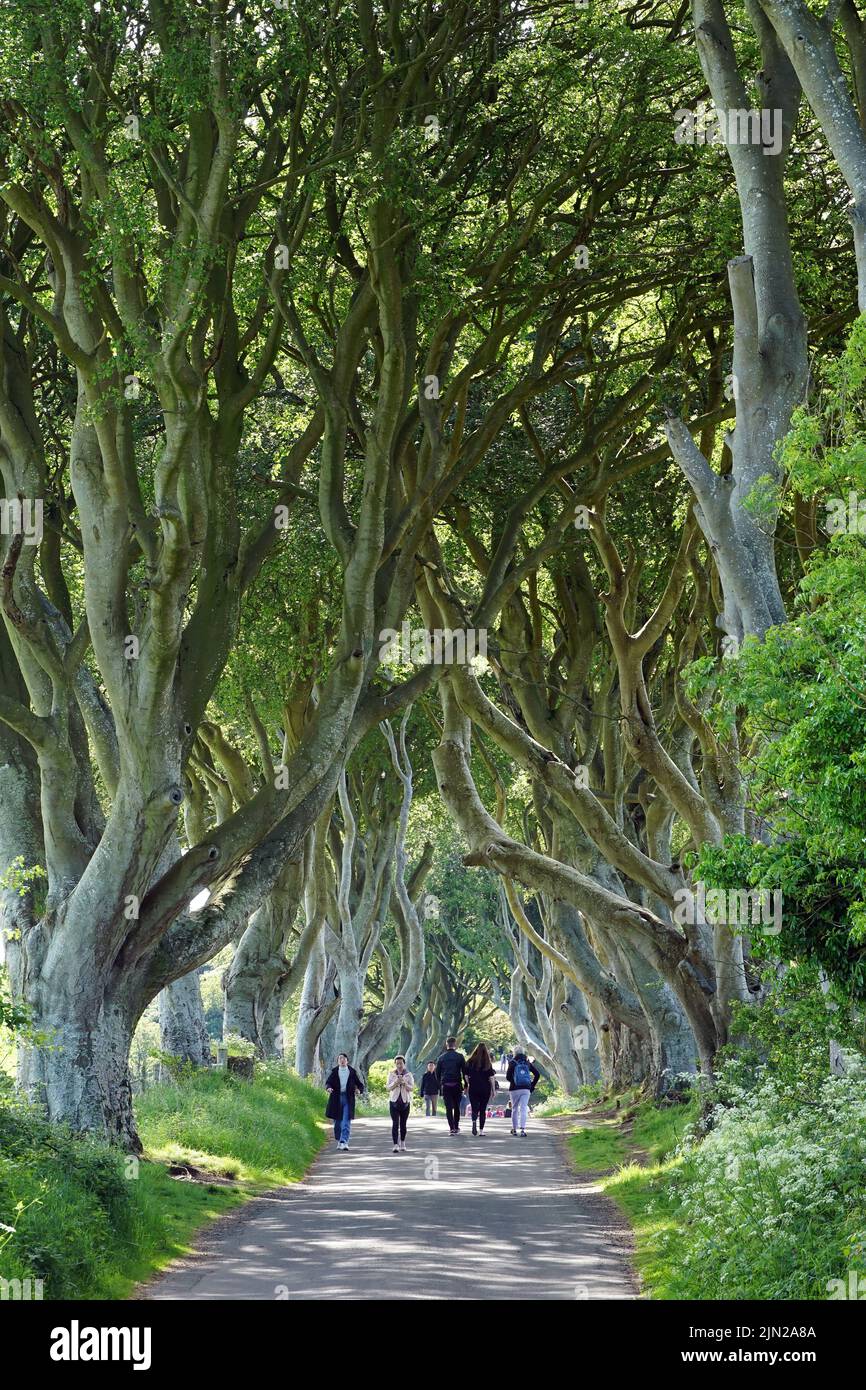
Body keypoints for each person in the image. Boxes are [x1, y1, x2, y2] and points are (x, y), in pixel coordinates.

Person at [324, 1053, 365, 1150]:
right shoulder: (334, 1072)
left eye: (344, 1059)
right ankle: (339, 1140)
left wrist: (359, 1090)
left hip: (348, 1098)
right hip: (336, 1099)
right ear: (338, 1061)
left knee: (346, 1121)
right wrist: (329, 1088)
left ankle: (344, 1141)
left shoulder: (352, 1072)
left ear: (347, 1061)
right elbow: (328, 1083)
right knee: (337, 1123)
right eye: (340, 1059)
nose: (342, 1060)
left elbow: (360, 1084)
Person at [436, 1036, 468, 1134]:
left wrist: (439, 1087)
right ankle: (456, 1126)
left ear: (446, 1045)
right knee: (457, 1106)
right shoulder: (460, 1057)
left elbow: (437, 1074)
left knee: (448, 1107)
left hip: (446, 1085)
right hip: (457, 1084)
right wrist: (466, 1085)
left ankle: (451, 1128)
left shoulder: (441, 1058)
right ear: (455, 1045)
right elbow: (464, 1072)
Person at [505, 1047, 540, 1136]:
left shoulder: (512, 1063)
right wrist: (532, 1086)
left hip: (514, 1089)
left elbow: (508, 1077)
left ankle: (514, 1129)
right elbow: (537, 1074)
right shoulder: (527, 1062)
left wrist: (514, 1081)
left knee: (515, 1109)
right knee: (523, 1108)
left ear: (514, 1053)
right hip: (526, 1088)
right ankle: (523, 1130)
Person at [466, 1043, 497, 1136]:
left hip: (473, 1087)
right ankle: (481, 1131)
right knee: (483, 1109)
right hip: (485, 1088)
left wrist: (468, 1084)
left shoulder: (470, 1061)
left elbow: (466, 1076)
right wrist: (493, 1090)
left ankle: (474, 1121)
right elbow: (491, 1078)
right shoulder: (487, 1062)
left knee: (474, 1107)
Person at [387, 1054, 414, 1152]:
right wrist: (396, 1083)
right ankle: (395, 1144)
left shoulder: (408, 1074)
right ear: (395, 1064)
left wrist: (404, 1083)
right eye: (397, 1063)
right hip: (394, 1101)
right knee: (395, 1123)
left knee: (403, 1124)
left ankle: (402, 1142)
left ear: (404, 1064)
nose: (399, 1065)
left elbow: (411, 1088)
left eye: (401, 1063)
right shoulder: (391, 1074)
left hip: (405, 1102)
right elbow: (388, 1088)